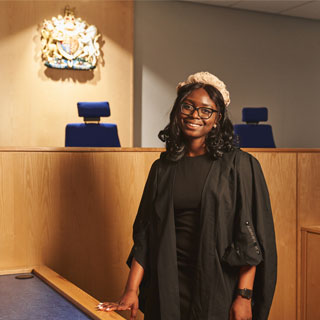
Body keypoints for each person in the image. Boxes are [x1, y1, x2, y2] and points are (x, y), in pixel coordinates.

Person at [98, 72, 277, 320]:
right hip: (168, 283)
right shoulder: (162, 168)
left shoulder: (240, 165)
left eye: (206, 110)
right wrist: (131, 289)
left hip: (217, 285)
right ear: (177, 111)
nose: (195, 115)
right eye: (188, 106)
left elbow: (248, 237)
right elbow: (146, 235)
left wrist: (243, 296)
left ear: (217, 119)